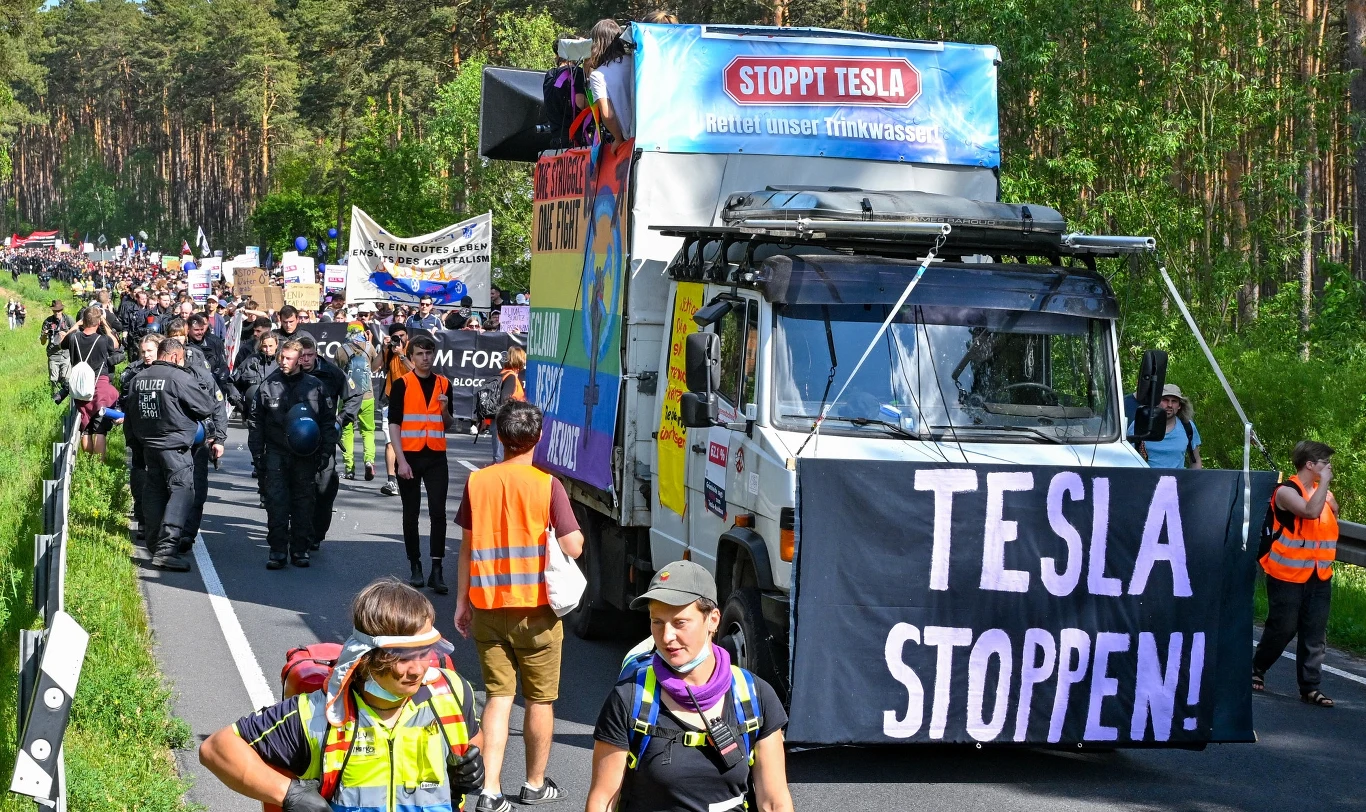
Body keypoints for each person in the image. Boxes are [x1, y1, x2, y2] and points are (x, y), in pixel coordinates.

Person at [199, 578, 487, 811]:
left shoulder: (450, 690)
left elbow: (471, 738)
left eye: (424, 652)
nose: (417, 669)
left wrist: (472, 762)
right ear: (367, 657)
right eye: (402, 657)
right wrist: (288, 794)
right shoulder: (316, 714)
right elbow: (216, 749)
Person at [454, 400, 584, 812]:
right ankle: (533, 784)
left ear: (498, 434)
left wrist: (462, 601)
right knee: (540, 701)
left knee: (498, 696)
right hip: (538, 612)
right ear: (539, 437)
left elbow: (466, 547)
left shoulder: (478, 483)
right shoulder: (548, 486)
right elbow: (573, 547)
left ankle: (490, 791)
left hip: (489, 606)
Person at [585, 562, 792, 812]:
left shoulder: (755, 696)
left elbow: (774, 803)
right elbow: (602, 801)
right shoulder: (629, 699)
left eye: (680, 622)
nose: (666, 636)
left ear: (713, 619)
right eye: (657, 622)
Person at [1253, 440, 1340, 708]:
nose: (1329, 467)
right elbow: (1310, 512)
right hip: (1286, 573)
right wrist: (1323, 486)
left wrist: (1325, 492)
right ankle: (1257, 668)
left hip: (1319, 573)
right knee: (1283, 628)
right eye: (1325, 463)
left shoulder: (1322, 492)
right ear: (1310, 465)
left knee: (1315, 634)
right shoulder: (1286, 492)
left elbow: (1332, 514)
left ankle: (1310, 688)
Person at [124, 338, 220, 572]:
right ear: (176, 356)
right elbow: (206, 407)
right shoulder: (179, 377)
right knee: (183, 491)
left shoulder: (138, 379)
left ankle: (155, 543)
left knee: (154, 489)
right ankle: (167, 549)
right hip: (175, 446)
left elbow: (130, 414)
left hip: (148, 445)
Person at [253, 339, 331, 569]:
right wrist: (258, 455)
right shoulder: (269, 385)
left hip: (306, 456)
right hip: (276, 452)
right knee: (276, 502)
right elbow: (256, 422)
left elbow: (327, 421)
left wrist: (325, 452)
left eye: (288, 358)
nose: (283, 362)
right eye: (281, 357)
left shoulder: (315, 386)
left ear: (299, 360)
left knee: (303, 502)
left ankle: (300, 549)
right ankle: (277, 550)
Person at [387, 333, 454, 593]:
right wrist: (401, 461)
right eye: (420, 354)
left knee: (438, 513)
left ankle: (437, 569)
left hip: (436, 456)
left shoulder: (444, 384)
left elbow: (448, 424)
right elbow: (394, 424)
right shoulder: (403, 384)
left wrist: (445, 410)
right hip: (411, 457)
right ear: (411, 357)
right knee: (411, 513)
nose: (425, 358)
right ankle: (415, 565)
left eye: (429, 353)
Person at [164, 317, 229, 545]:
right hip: (171, 439)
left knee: (197, 488)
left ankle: (187, 535)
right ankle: (171, 531)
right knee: (172, 487)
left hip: (200, 439)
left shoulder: (202, 374)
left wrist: (219, 438)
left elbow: (217, 404)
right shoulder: (162, 373)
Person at [298, 333, 355, 549]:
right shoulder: (289, 372)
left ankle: (316, 534)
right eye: (301, 356)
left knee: (324, 488)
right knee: (298, 488)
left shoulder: (332, 372)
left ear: (316, 354)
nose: (304, 360)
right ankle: (299, 532)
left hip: (324, 438)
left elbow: (353, 396)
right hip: (295, 440)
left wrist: (341, 420)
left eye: (309, 355)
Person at [120, 333, 165, 545]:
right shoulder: (132, 372)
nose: (147, 355)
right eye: (143, 351)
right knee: (140, 478)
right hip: (139, 435)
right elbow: (124, 402)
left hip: (163, 436)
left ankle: (160, 521)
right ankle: (143, 520)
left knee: (162, 479)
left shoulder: (169, 372)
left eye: (151, 351)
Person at [62, 304, 122, 455]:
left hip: (80, 385)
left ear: (84, 320)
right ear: (99, 322)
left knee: (86, 425)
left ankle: (89, 460)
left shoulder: (74, 338)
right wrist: (106, 324)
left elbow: (61, 342)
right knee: (100, 427)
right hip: (99, 384)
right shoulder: (102, 340)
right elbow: (115, 344)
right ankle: (98, 464)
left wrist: (77, 324)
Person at [336, 322, 380, 481]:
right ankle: (369, 460)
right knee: (368, 431)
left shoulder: (341, 350)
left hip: (347, 398)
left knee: (347, 432)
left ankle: (349, 468)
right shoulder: (369, 348)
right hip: (367, 395)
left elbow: (337, 372)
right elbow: (375, 367)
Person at [1131, 384, 1202, 469]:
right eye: (1165, 400)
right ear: (1157, 402)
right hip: (1146, 480)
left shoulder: (1188, 426)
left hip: (1177, 481)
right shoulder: (1141, 424)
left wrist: (1194, 481)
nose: (1170, 405)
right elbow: (1126, 457)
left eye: (1174, 401)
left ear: (1179, 406)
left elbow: (1196, 460)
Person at [587, 19, 635, 143]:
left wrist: (618, 138)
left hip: (629, 142)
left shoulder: (598, 75)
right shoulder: (635, 61)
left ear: (596, 44)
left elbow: (608, 115)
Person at [380, 323, 414, 496]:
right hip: (391, 401)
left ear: (407, 335)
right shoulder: (388, 350)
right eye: (395, 336)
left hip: (411, 402)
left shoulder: (412, 349)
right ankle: (391, 480)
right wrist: (383, 348)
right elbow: (375, 367)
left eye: (402, 335)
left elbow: (416, 371)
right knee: (390, 441)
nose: (399, 339)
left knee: (408, 442)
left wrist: (401, 355)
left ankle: (408, 473)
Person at [489, 347, 527, 463]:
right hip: (505, 421)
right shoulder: (511, 376)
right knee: (501, 459)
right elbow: (505, 399)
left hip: (500, 421)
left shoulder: (503, 373)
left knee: (500, 457)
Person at [40, 299, 76, 401]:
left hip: (66, 353)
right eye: (55, 311)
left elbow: (77, 335)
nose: (57, 313)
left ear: (62, 310)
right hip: (53, 354)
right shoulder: (48, 322)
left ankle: (68, 399)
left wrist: (66, 335)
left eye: (59, 311)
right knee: (54, 380)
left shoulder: (68, 320)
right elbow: (42, 342)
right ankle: (55, 399)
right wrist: (44, 335)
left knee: (66, 379)